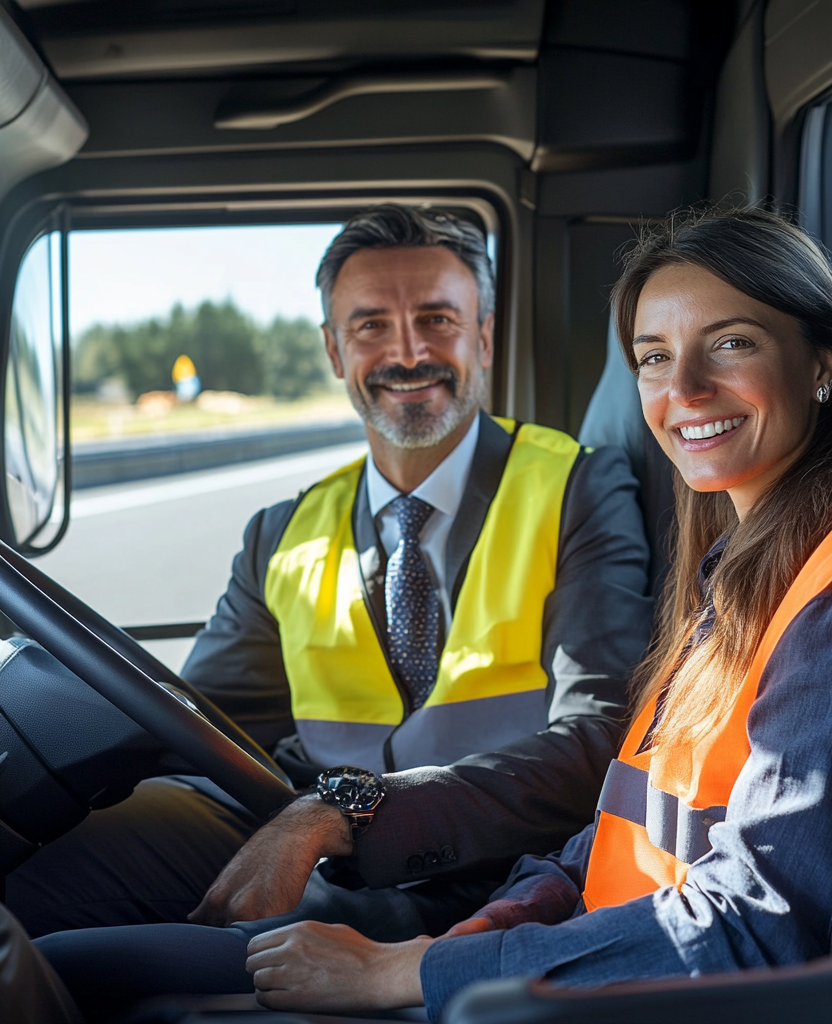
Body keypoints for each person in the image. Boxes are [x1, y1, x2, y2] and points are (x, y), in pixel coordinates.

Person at [35, 206, 832, 1022]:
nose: (686, 391)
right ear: (331, 349)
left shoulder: (816, 588)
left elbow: (744, 909)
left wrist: (424, 956)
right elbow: (630, 814)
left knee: (73, 975)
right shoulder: (739, 579)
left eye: (734, 343)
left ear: (484, 332)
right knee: (52, 927)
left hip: (530, 916)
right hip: (543, 916)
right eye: (656, 359)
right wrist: (482, 932)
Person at [10, 204, 652, 944]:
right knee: (32, 891)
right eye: (371, 325)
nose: (408, 353)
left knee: (85, 964)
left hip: (494, 871)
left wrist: (346, 814)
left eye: (438, 320)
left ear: (484, 335)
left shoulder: (578, 488)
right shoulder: (280, 534)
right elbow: (203, 728)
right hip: (301, 834)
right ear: (333, 350)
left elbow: (601, 737)